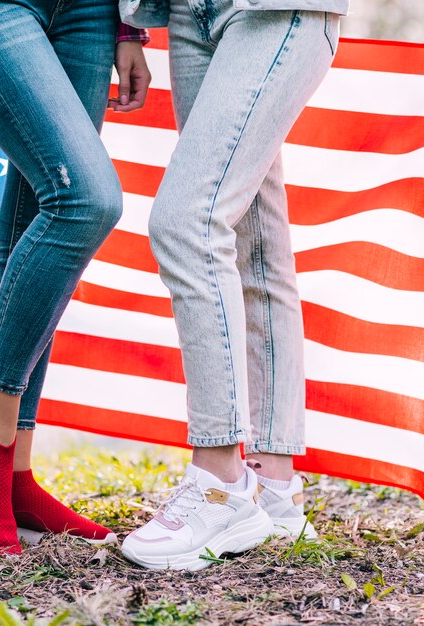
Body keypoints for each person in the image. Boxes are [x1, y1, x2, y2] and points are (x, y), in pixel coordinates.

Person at [119, 0, 349, 571]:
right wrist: (125, 27)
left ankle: (221, 480)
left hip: (276, 8)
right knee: (253, 240)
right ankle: (274, 486)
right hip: (185, 12)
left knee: (187, 222)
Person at [0, 0, 151, 557]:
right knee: (84, 200)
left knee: (34, 220)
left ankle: (13, 474)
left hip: (90, 11)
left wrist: (127, 27)